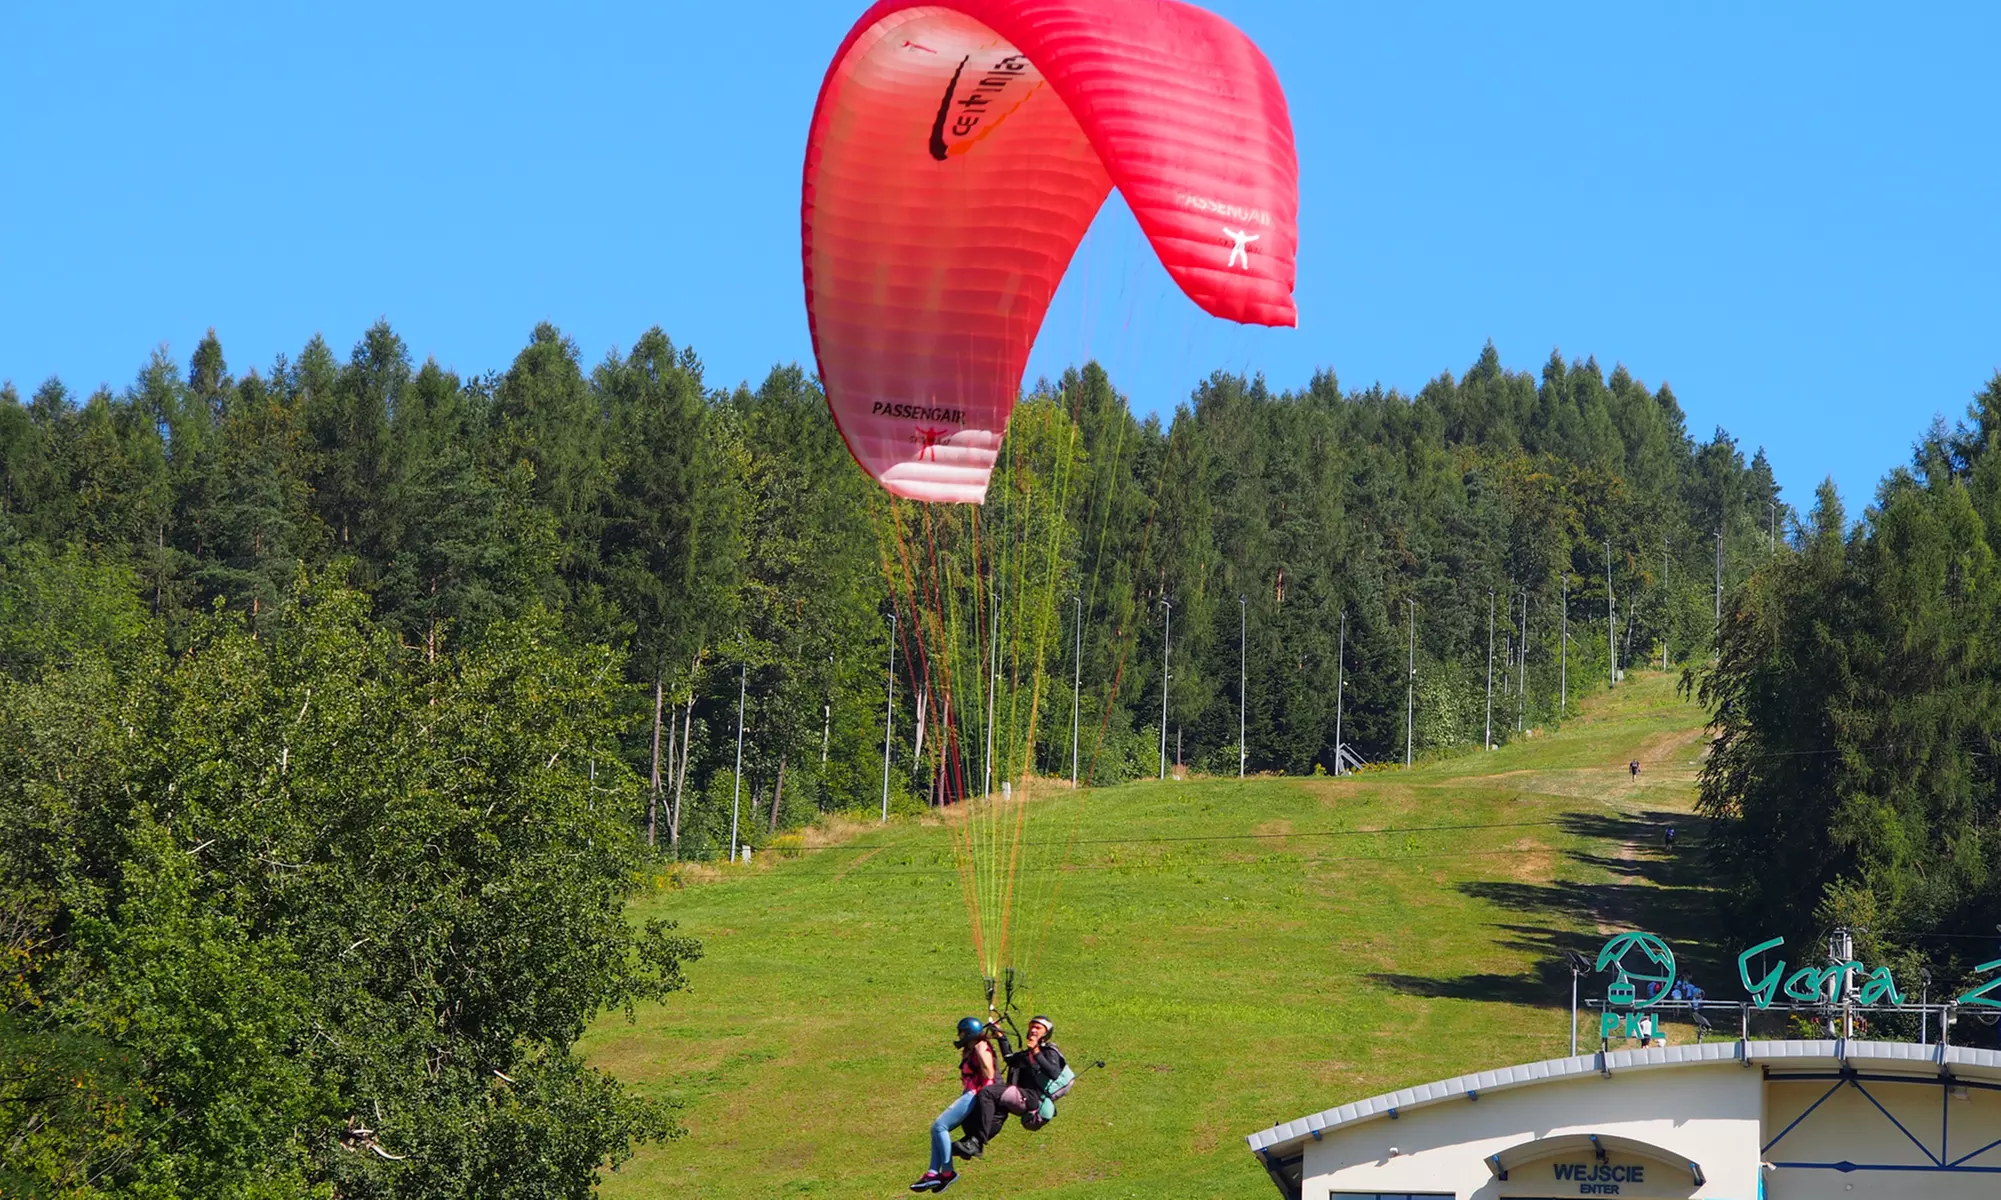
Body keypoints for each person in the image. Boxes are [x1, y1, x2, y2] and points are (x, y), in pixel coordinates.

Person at [954, 1014, 1065, 1159]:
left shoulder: (1049, 1051)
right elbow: (1010, 1059)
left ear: (1046, 1032)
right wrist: (1001, 1036)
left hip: (1033, 1098)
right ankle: (970, 1141)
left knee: (988, 1093)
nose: (1033, 1030)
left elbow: (1054, 1073)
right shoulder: (1028, 1053)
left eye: (1038, 1028)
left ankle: (976, 1143)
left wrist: (1036, 1052)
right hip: (1021, 1095)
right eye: (1031, 1027)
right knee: (997, 1111)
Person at [910, 1017, 997, 1193]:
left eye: (962, 1032)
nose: (959, 1036)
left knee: (939, 1126)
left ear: (970, 1032)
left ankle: (948, 1172)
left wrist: (980, 1051)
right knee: (936, 1130)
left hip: (975, 1094)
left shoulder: (982, 1047)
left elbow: (989, 1074)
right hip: (968, 1093)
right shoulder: (969, 1050)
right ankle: (933, 1173)